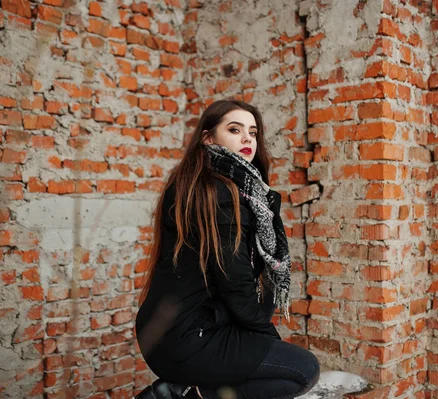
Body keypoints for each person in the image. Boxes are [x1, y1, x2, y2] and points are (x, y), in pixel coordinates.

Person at [134, 99, 320, 399]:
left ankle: (181, 390)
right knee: (302, 371)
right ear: (208, 138)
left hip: (176, 327)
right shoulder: (216, 191)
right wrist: (264, 334)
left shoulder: (220, 185)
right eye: (235, 129)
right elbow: (232, 274)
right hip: (187, 336)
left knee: (290, 369)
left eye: (253, 132)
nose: (248, 138)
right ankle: (178, 395)